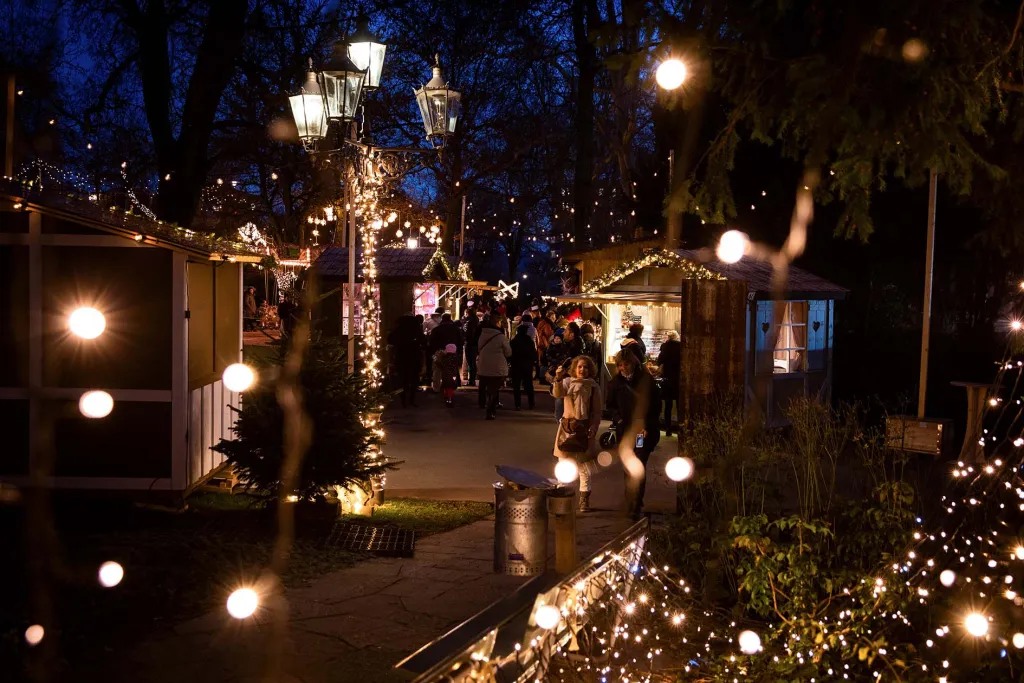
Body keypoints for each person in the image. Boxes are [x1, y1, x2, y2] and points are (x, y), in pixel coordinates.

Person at [607, 350, 661, 519]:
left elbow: (655, 407)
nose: (624, 368)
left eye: (627, 364)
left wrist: (647, 426)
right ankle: (632, 499)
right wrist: (619, 420)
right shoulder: (616, 383)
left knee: (638, 464)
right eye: (621, 365)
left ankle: (635, 505)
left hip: (641, 431)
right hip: (625, 431)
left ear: (634, 363)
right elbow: (611, 405)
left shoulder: (646, 382)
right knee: (627, 467)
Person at [551, 355, 604, 512]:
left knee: (584, 467)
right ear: (574, 368)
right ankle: (561, 498)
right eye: (580, 366)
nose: (582, 370)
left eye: (586, 367)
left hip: (585, 430)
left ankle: (584, 500)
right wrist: (558, 378)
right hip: (566, 429)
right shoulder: (567, 383)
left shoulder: (593, 387)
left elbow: (597, 412)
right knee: (563, 465)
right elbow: (558, 394)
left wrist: (594, 427)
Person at [476, 314, 511, 420]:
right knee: (493, 390)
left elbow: (479, 348)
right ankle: (490, 411)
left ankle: (482, 403)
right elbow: (508, 352)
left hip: (483, 365)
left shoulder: (482, 335)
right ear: (497, 323)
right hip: (497, 367)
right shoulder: (501, 337)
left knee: (484, 385)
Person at [387, 315, 424, 407]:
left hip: (401, 357)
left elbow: (390, 339)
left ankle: (403, 400)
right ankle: (412, 400)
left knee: (402, 380)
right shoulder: (416, 329)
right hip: (414, 357)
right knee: (414, 379)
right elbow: (423, 341)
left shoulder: (399, 330)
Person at [656, 330, 682, 436]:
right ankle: (681, 428)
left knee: (668, 405)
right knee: (680, 405)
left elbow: (659, 361)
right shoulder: (681, 346)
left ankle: (668, 428)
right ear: (676, 337)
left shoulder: (665, 346)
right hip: (678, 379)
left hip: (667, 378)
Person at [543, 330, 570, 421]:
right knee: (557, 392)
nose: (557, 340)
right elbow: (547, 357)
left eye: (559, 338)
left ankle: (559, 415)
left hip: (559, 370)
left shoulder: (564, 347)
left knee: (558, 393)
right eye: (556, 338)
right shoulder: (551, 347)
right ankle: (558, 416)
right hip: (555, 370)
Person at [509, 323, 537, 410]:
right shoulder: (529, 341)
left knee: (516, 386)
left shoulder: (513, 341)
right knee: (528, 385)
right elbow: (534, 354)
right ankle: (531, 403)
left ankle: (517, 404)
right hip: (527, 366)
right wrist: (533, 363)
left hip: (516, 366)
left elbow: (510, 354)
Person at [535, 310, 556, 381]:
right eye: (553, 317)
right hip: (544, 344)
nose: (554, 319)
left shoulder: (541, 322)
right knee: (543, 361)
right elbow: (549, 334)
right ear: (549, 317)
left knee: (540, 360)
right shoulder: (547, 324)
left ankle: (538, 375)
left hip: (539, 343)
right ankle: (541, 377)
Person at [464, 310, 482, 386]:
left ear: (467, 313)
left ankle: (471, 380)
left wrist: (467, 341)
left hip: (470, 344)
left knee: (470, 363)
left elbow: (468, 333)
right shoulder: (477, 321)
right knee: (472, 363)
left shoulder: (469, 322)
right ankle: (472, 380)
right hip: (475, 344)